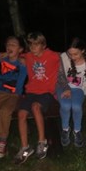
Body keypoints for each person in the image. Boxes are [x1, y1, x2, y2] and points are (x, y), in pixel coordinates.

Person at [14, 31, 67, 164]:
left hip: (46, 93)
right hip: (31, 92)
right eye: (31, 45)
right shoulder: (28, 56)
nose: (33, 48)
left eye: (36, 45)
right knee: (21, 114)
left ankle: (42, 142)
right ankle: (25, 147)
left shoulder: (53, 56)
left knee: (36, 107)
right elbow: (13, 55)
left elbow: (68, 56)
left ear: (43, 45)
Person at [58, 37, 86, 149]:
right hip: (63, 86)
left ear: (83, 50)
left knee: (76, 106)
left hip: (79, 88)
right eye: (70, 54)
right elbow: (59, 75)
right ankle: (65, 129)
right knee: (65, 105)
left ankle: (77, 131)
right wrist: (66, 88)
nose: (72, 57)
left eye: (76, 54)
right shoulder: (63, 57)